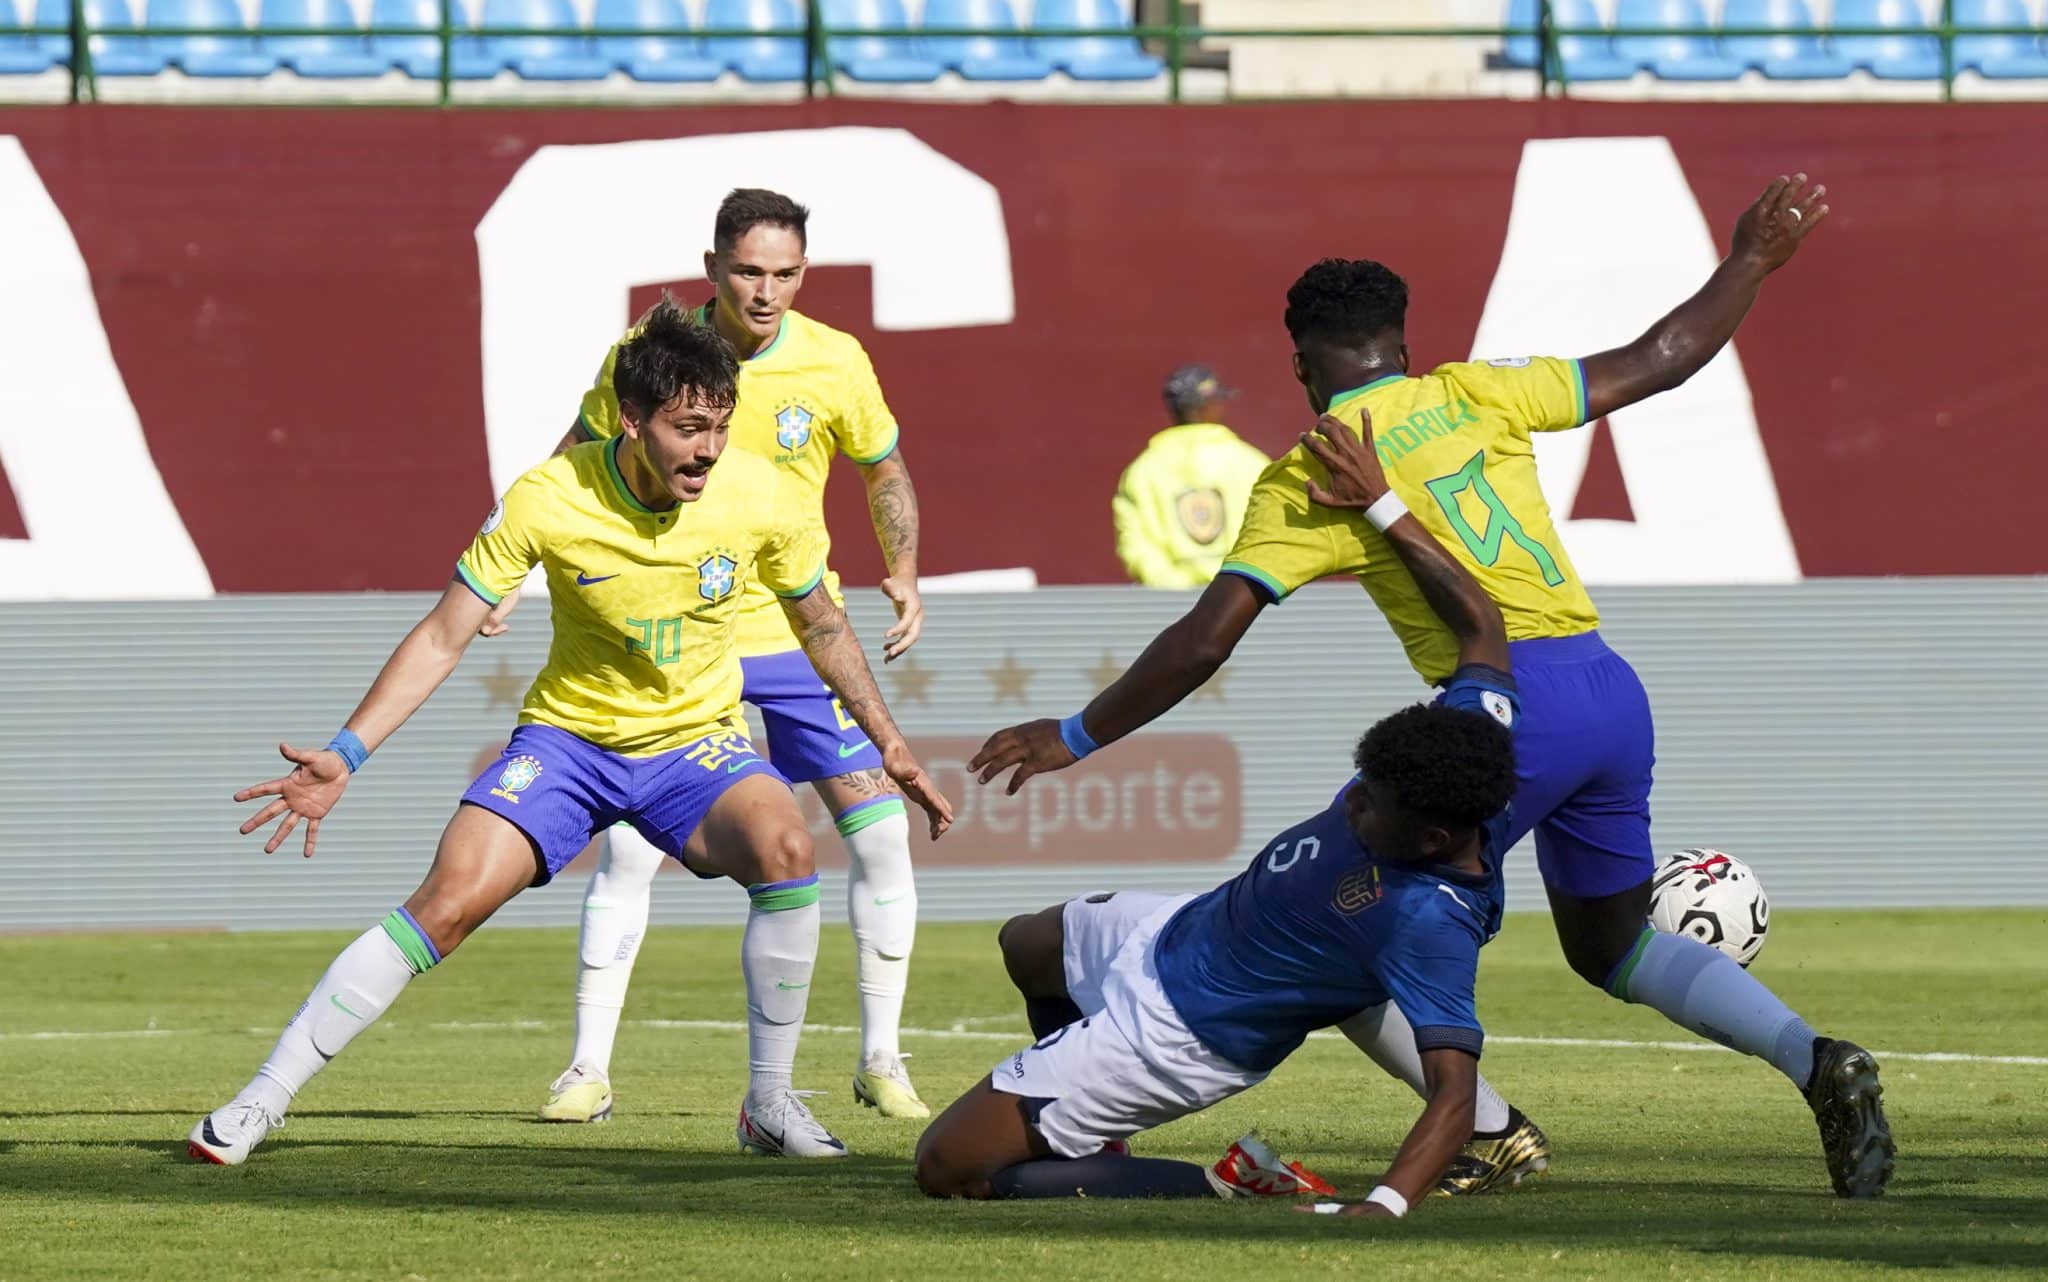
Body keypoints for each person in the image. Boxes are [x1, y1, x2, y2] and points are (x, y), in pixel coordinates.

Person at [969, 175, 1896, 1199]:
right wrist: (1749, 261)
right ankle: (1813, 1058)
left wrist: (1075, 732)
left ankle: (1484, 1130)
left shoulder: (1312, 471)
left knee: (1343, 908)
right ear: (1402, 347)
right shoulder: (1473, 391)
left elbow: (1202, 640)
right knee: (1613, 945)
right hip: (1603, 684)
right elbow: (1661, 360)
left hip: (1506, 705)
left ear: (1297, 363)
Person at [188, 313, 950, 1167]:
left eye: (720, 427)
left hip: (695, 745)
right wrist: (349, 752)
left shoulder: (761, 497)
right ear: (632, 419)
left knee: (785, 847)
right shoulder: (550, 495)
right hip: (569, 745)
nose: (708, 449)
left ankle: (768, 1105)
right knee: (445, 905)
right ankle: (260, 1099)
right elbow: (445, 635)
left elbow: (823, 624)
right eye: (687, 429)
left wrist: (890, 742)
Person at [917, 424, 1519, 1212]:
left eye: (1370, 805)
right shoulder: (1471, 738)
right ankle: (1086, 1128)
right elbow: (1483, 623)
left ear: (1433, 840)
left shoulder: (1429, 921)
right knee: (1025, 942)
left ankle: (1223, 1182)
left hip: (1180, 1033)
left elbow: (1452, 1096)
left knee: (947, 1168)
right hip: (1179, 930)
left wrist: (1383, 1206)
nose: (1350, 801)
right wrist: (1382, 506)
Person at [491, 190, 936, 1124]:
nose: (767, 291)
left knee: (883, 835)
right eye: (748, 271)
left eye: (786, 273)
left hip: (795, 637)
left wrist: (903, 569)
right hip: (681, 647)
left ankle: (882, 1060)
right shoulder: (647, 356)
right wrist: (507, 570)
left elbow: (882, 465)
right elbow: (572, 462)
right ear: (713, 268)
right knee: (625, 855)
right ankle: (585, 1071)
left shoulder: (836, 360)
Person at [1113, 364, 1269, 588]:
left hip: (1168, 603)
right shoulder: (1251, 464)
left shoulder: (1142, 472)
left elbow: (1135, 544)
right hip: (1241, 596)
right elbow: (1270, 535)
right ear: (1210, 406)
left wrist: (1170, 585)